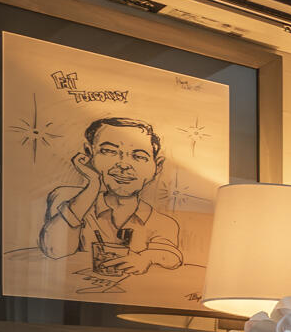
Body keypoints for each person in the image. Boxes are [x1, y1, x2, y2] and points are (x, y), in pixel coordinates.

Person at [36, 117, 183, 278]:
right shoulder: (70, 201)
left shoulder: (162, 223)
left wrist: (146, 258)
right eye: (110, 151)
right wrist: (93, 185)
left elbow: (171, 256)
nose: (124, 165)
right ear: (89, 154)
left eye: (139, 156)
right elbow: (53, 250)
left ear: (157, 166)